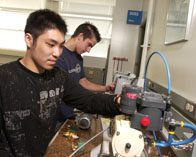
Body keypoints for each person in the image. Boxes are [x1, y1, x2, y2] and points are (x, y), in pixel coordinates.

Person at [0, 9, 120, 157]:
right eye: (51, 44)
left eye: (60, 46)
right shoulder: (5, 78)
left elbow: (89, 100)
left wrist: (118, 101)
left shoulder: (59, 77)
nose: (57, 53)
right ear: (29, 39)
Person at [56, 22, 115, 121]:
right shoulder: (57, 56)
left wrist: (105, 88)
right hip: (57, 116)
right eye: (89, 45)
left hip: (69, 114)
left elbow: (83, 82)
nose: (88, 50)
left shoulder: (78, 58)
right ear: (80, 36)